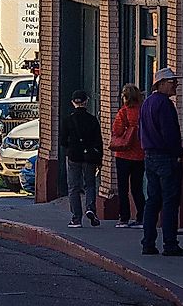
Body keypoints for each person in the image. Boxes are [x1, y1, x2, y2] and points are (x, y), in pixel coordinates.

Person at [138, 68, 183, 257]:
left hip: (149, 156)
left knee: (152, 201)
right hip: (165, 158)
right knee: (169, 202)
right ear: (160, 84)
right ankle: (170, 243)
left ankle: (148, 243)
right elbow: (170, 134)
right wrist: (177, 153)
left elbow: (141, 130)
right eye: (171, 82)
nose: (175, 84)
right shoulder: (165, 104)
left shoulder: (147, 103)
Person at [57, 89, 105, 227]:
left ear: (73, 103)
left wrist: (70, 148)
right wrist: (99, 159)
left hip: (73, 156)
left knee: (73, 187)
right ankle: (90, 208)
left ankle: (76, 218)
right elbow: (98, 141)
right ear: (86, 102)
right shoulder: (92, 120)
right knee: (90, 184)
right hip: (89, 156)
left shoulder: (68, 120)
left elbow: (62, 141)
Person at [108, 84, 145, 228]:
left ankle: (124, 217)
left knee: (123, 188)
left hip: (123, 154)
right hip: (140, 154)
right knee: (137, 187)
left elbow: (116, 131)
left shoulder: (123, 112)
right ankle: (141, 216)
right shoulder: (142, 111)